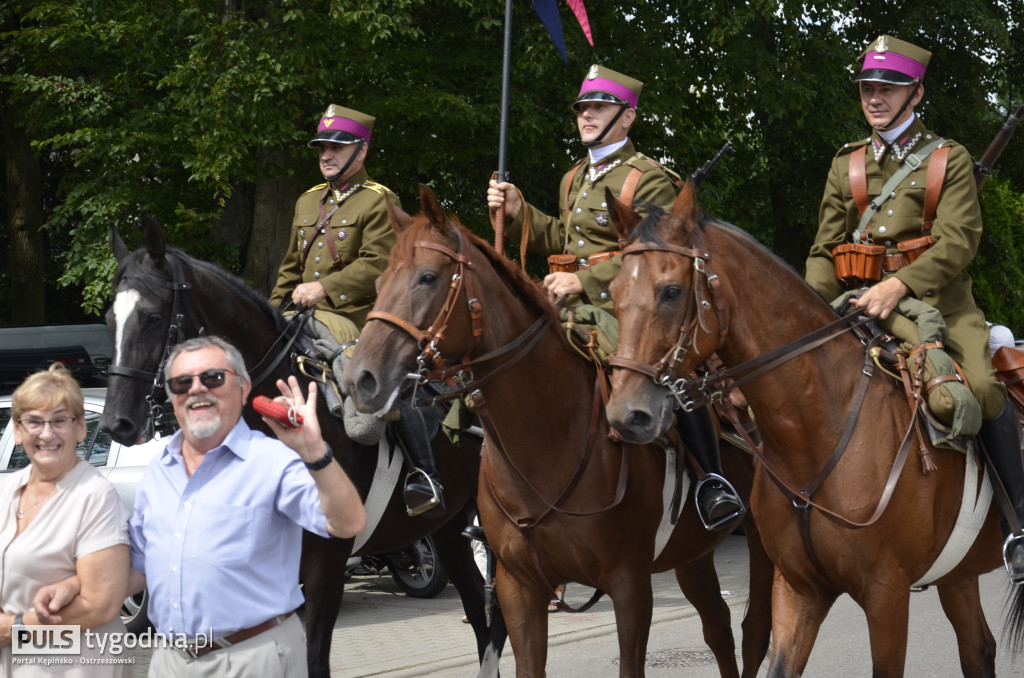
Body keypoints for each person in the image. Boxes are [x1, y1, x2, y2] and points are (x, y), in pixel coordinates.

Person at [804, 34, 1024, 582]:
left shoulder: (949, 159)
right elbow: (823, 249)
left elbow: (957, 242)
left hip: (941, 305)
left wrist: (898, 285)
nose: (875, 96)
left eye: (889, 88)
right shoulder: (846, 164)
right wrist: (817, 308)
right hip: (855, 305)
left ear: (916, 93)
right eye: (868, 87)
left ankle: (1019, 525)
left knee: (986, 384)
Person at [486, 64, 744, 530]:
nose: (587, 115)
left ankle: (712, 480)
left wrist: (586, 281)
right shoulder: (573, 178)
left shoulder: (647, 177)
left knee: (659, 365)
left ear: (626, 118)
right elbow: (565, 240)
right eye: (583, 107)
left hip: (626, 305)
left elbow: (662, 258)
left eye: (599, 107)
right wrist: (520, 212)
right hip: (566, 300)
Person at [36, 336, 367, 676]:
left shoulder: (272, 460)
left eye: (213, 377)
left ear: (243, 388)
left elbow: (347, 523)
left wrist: (316, 453)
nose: (196, 389)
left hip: (252, 657)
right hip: (169, 661)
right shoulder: (158, 470)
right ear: (171, 396)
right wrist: (75, 586)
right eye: (181, 383)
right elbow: (138, 566)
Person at [269, 103, 443, 517]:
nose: (325, 155)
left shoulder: (378, 201)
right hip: (304, 317)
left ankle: (423, 475)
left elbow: (380, 263)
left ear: (359, 151)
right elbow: (291, 268)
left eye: (336, 146)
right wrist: (269, 312)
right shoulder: (307, 203)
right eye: (321, 148)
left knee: (367, 389)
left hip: (358, 319)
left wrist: (325, 287)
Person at [1, 363, 132, 676]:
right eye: (34, 421)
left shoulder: (94, 495)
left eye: (60, 420)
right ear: (17, 431)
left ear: (81, 428)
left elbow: (99, 605)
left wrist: (14, 629)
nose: (47, 433)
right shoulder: (5, 489)